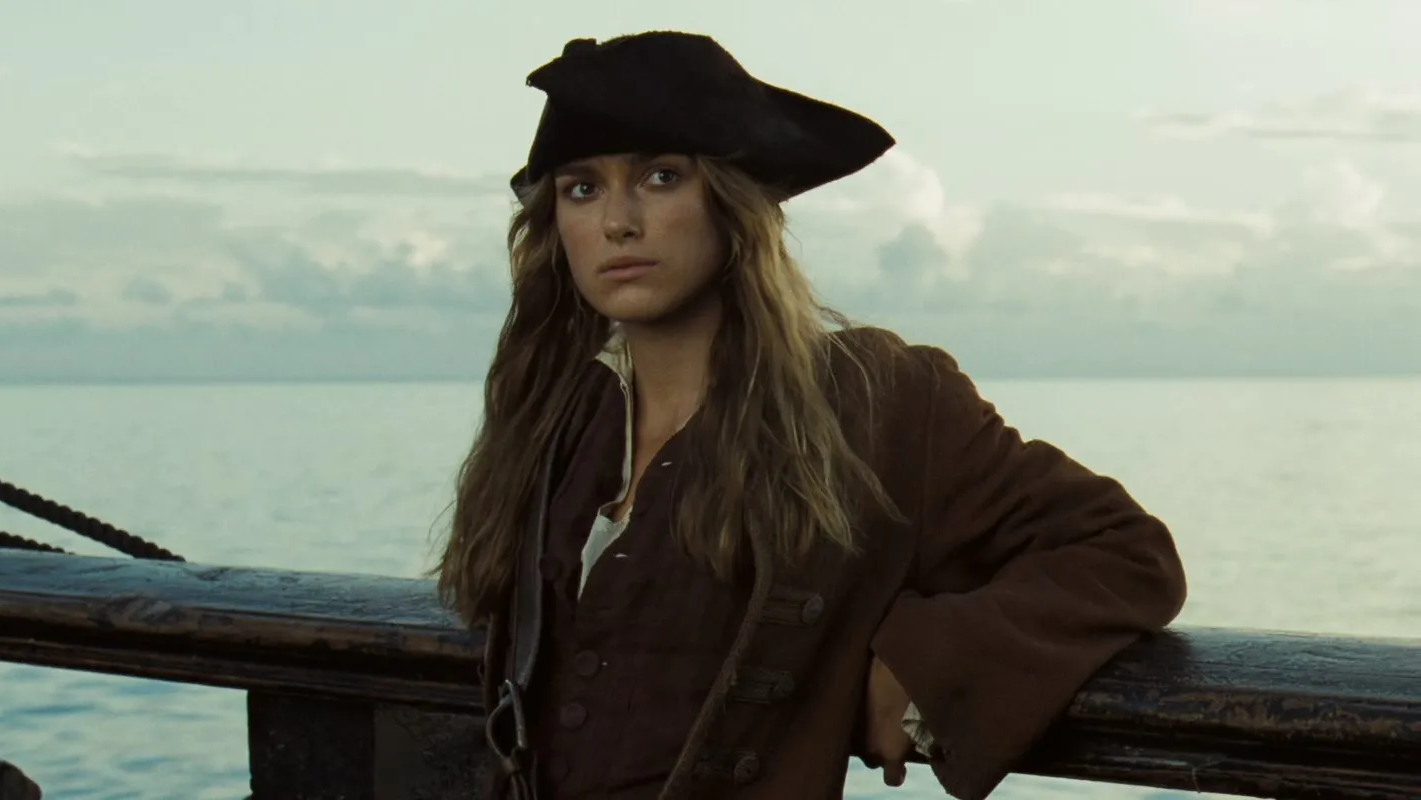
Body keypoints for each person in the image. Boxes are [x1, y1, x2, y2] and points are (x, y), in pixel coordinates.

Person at [432, 31, 1188, 800]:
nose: (618, 221)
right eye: (582, 189)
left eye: (661, 177)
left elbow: (1125, 553)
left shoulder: (873, 401)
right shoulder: (552, 417)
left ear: (734, 201)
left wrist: (929, 665)